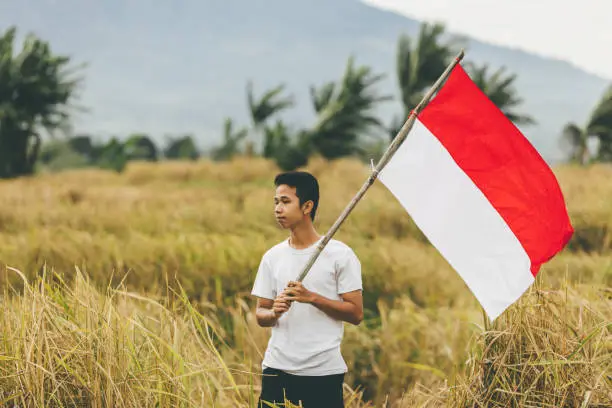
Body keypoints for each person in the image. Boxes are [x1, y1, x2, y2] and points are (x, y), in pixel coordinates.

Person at [251, 171, 364, 408]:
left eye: (285, 201)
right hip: (276, 370)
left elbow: (355, 313)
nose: (278, 209)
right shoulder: (272, 257)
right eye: (276, 202)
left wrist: (311, 297)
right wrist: (273, 313)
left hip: (323, 373)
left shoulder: (340, 254)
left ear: (307, 206)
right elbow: (260, 313)